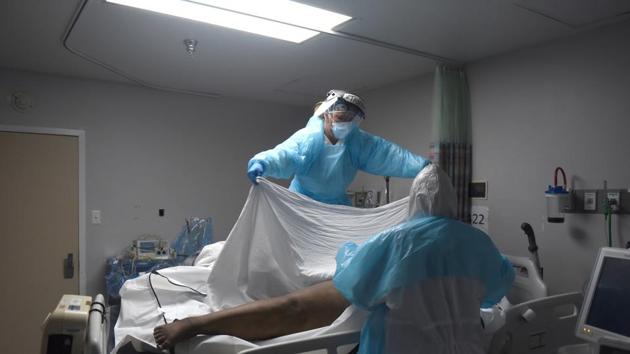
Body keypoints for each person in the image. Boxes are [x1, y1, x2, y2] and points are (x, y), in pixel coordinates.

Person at [154, 165, 513, 353]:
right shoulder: (479, 243)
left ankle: (194, 324)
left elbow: (306, 302)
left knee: (293, 306)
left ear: (413, 202)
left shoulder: (397, 243)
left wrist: (347, 252)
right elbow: (495, 292)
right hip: (468, 348)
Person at [246, 89, 430, 205]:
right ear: (326, 114)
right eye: (341, 118)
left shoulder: (356, 141)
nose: (346, 125)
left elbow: (388, 156)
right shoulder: (309, 139)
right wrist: (263, 163)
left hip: (337, 208)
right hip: (302, 205)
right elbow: (286, 154)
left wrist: (423, 167)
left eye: (351, 120)